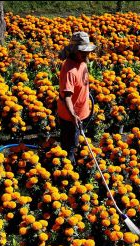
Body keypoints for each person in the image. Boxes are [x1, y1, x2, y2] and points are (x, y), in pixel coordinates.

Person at [58, 31, 96, 164]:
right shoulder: (69, 70)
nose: (87, 55)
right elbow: (67, 97)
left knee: (78, 140)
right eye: (83, 52)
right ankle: (68, 169)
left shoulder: (83, 63)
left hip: (82, 112)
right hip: (70, 117)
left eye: (87, 52)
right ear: (74, 51)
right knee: (70, 145)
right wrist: (73, 116)